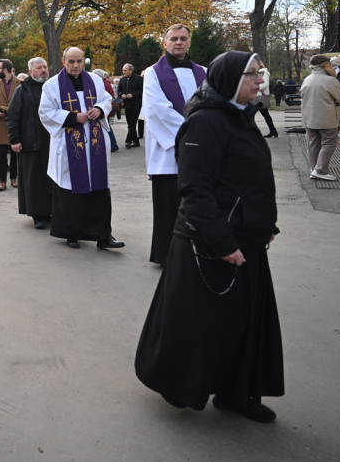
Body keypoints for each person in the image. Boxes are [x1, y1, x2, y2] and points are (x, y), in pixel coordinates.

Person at [135, 51, 283, 423]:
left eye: (260, 73)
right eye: (254, 74)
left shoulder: (238, 116)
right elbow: (195, 191)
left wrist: (264, 224)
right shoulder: (205, 123)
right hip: (211, 245)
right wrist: (223, 243)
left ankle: (237, 392)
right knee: (203, 325)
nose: (260, 80)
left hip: (244, 239)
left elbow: (246, 181)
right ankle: (182, 385)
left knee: (243, 323)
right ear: (232, 78)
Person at [39, 47, 124, 250]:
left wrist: (99, 109)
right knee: (71, 189)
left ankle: (103, 235)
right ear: (63, 62)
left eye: (79, 61)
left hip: (95, 143)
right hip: (69, 144)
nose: (76, 65)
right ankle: (72, 233)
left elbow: (106, 100)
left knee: (99, 188)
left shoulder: (95, 81)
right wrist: (71, 117)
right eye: (71, 62)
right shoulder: (52, 86)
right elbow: (45, 112)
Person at [141, 24, 206, 266]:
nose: (178, 42)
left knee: (197, 205)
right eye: (173, 39)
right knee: (169, 208)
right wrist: (193, 133)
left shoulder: (204, 72)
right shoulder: (153, 73)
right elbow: (156, 109)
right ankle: (167, 257)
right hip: (167, 153)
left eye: (183, 38)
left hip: (200, 149)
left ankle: (195, 254)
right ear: (165, 43)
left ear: (189, 42)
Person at [6, 57, 52, 229]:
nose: (43, 70)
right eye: (39, 68)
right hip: (30, 142)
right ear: (31, 72)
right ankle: (38, 214)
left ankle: (52, 211)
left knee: (51, 178)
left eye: (45, 67)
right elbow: (12, 117)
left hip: (52, 142)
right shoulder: (22, 90)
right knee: (34, 180)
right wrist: (15, 140)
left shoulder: (52, 88)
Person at [300, 54, 340, 181]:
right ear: (325, 65)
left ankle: (314, 169)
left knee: (313, 143)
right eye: (330, 64)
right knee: (329, 142)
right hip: (327, 117)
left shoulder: (307, 79)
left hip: (309, 117)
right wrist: (334, 77)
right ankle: (321, 170)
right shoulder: (330, 80)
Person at [0, 59, 20, 191]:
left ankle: (13, 178)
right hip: (1, 123)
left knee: (14, 153)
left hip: (15, 123)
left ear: (5, 70)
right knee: (1, 153)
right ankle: (2, 181)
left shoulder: (19, 83)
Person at [117, 63, 143, 148]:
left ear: (131, 70)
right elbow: (119, 91)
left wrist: (133, 95)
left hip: (136, 104)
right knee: (130, 124)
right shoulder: (122, 80)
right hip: (127, 105)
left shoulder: (138, 79)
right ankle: (136, 141)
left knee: (132, 123)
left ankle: (128, 141)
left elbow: (142, 91)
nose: (123, 72)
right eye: (123, 70)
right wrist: (122, 95)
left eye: (125, 70)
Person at [255, 62, 278, 138]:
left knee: (253, 114)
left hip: (260, 96)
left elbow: (264, 84)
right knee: (265, 114)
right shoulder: (258, 72)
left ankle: (273, 131)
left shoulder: (264, 72)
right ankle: (273, 131)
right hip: (258, 96)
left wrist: (254, 87)